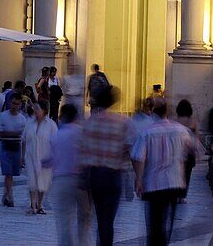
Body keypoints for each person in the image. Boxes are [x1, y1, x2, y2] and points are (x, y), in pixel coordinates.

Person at [131, 98, 193, 246]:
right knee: (168, 220)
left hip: (154, 183)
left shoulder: (147, 132)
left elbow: (138, 156)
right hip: (174, 182)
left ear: (153, 112)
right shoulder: (180, 130)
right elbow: (194, 149)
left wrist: (139, 179)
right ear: (167, 112)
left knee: (154, 222)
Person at [80, 86, 133, 246]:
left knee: (100, 214)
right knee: (109, 219)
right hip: (113, 174)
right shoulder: (123, 122)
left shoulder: (90, 122)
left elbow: (84, 149)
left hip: (94, 174)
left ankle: (101, 240)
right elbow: (129, 149)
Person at [49, 103, 92, 245]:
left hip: (61, 180)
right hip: (81, 180)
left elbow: (52, 158)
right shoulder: (83, 133)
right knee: (84, 218)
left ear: (62, 116)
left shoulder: (57, 135)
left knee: (63, 220)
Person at [23, 100, 58, 214]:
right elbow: (23, 139)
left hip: (45, 156)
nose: (36, 111)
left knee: (43, 181)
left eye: (38, 109)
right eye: (35, 108)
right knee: (32, 180)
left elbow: (55, 141)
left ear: (44, 110)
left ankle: (40, 205)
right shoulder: (29, 123)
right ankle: (33, 204)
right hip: (30, 155)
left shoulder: (51, 124)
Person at [0, 90, 28, 207]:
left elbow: (23, 139)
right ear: (9, 103)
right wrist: (15, 134)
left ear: (20, 104)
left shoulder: (22, 119)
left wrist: (23, 156)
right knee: (8, 173)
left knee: (12, 174)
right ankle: (11, 197)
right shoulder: (3, 116)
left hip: (16, 148)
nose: (14, 106)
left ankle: (5, 195)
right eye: (13, 103)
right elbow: (0, 134)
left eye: (17, 104)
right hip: (5, 147)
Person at [175, 100, 199, 203]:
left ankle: (175, 193)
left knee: (177, 174)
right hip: (188, 151)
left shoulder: (175, 121)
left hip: (177, 150)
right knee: (187, 174)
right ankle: (182, 196)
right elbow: (196, 138)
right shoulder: (192, 122)